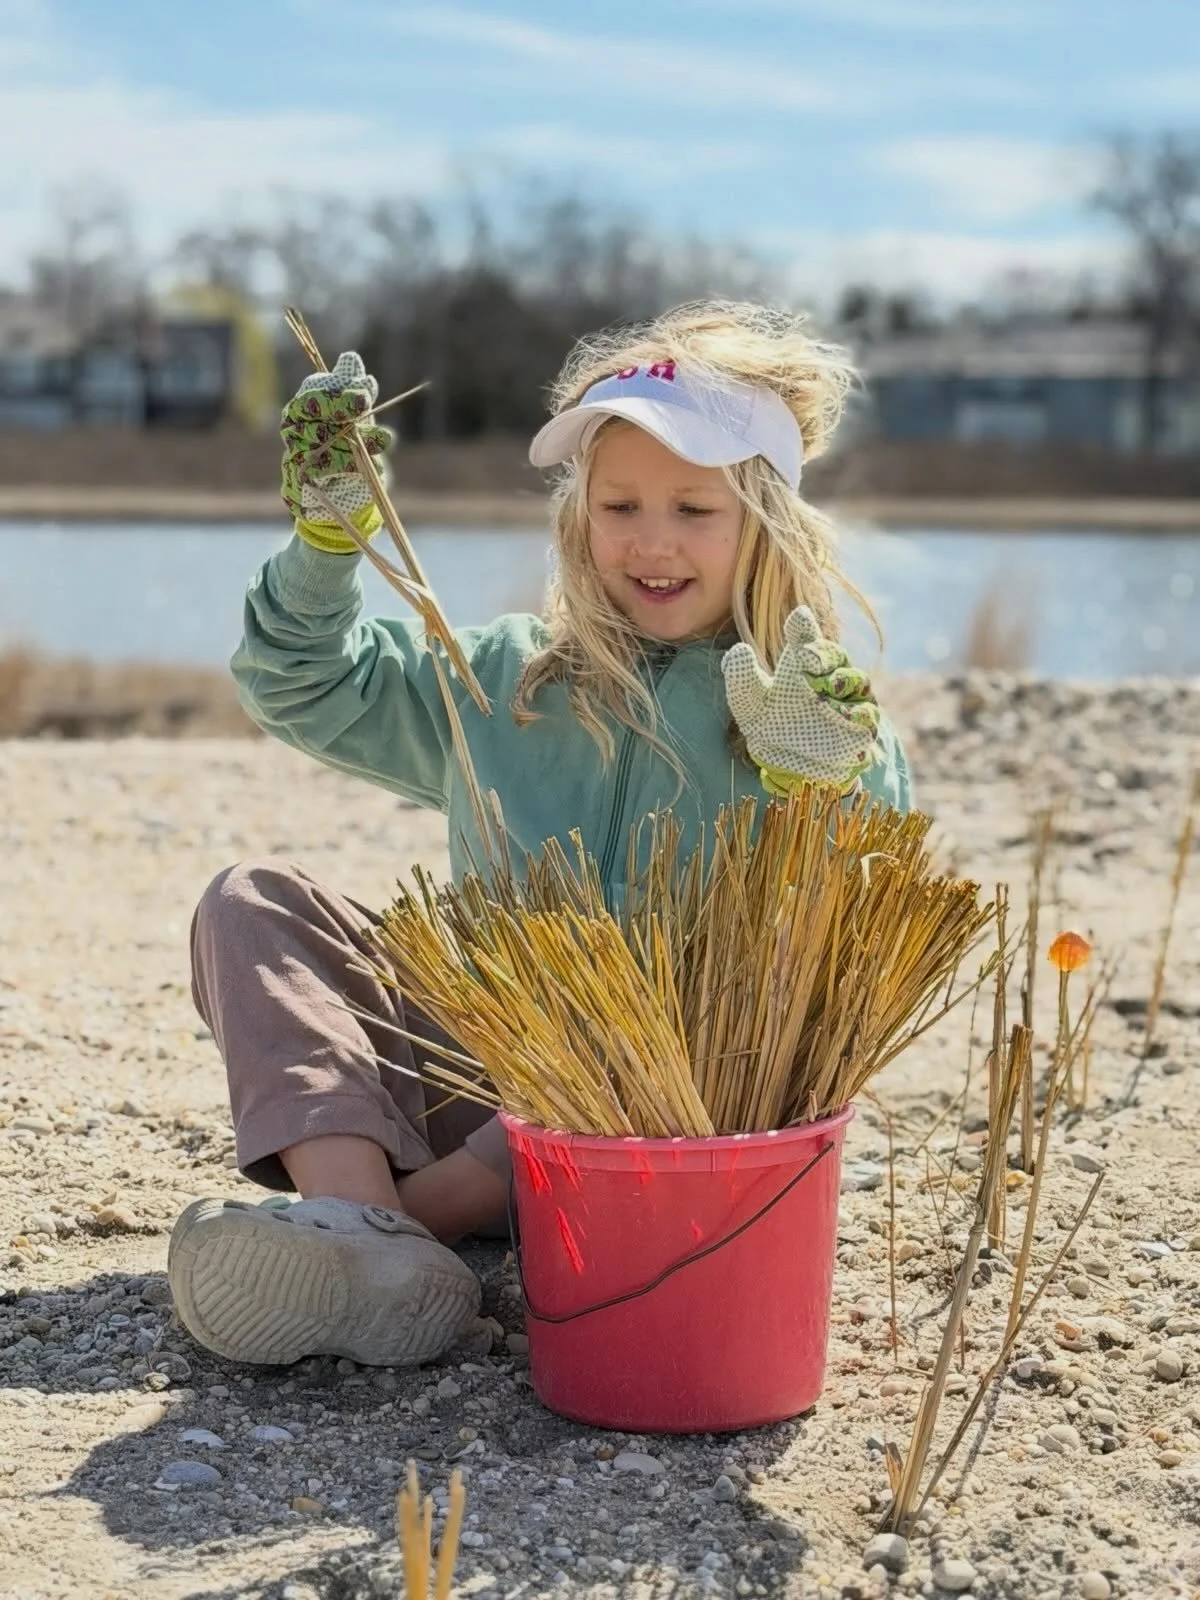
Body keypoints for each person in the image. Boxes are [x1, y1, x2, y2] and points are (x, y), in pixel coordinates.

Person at [168, 300, 913, 1370]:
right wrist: (330, 547)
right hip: (484, 1058)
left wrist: (823, 775)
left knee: (618, 1016)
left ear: (766, 522)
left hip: (668, 1104)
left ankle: (403, 1233)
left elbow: (881, 893)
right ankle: (357, 1226)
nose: (651, 539)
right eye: (620, 503)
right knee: (254, 901)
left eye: (695, 508)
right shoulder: (503, 679)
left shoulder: (800, 707)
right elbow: (304, 681)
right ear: (578, 517)